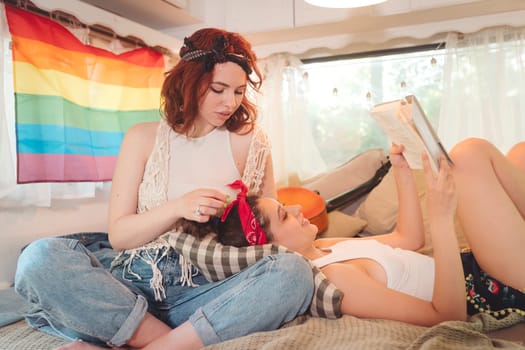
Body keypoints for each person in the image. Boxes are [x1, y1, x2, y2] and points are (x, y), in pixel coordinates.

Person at [14, 28, 315, 350]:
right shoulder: (143, 137)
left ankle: (130, 339)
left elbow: (273, 233)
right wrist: (177, 207)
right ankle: (168, 341)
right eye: (218, 89)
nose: (230, 103)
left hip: (207, 290)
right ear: (190, 81)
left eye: (239, 92)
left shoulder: (254, 141)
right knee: (40, 256)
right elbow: (119, 236)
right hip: (128, 285)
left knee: (292, 272)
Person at [212, 138, 525, 326]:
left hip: (476, 265)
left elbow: (409, 239)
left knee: (519, 153)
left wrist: (401, 169)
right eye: (284, 215)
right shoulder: (335, 277)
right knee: (470, 154)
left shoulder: (325, 246)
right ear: (273, 250)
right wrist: (441, 218)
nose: (296, 210)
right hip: (487, 291)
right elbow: (447, 317)